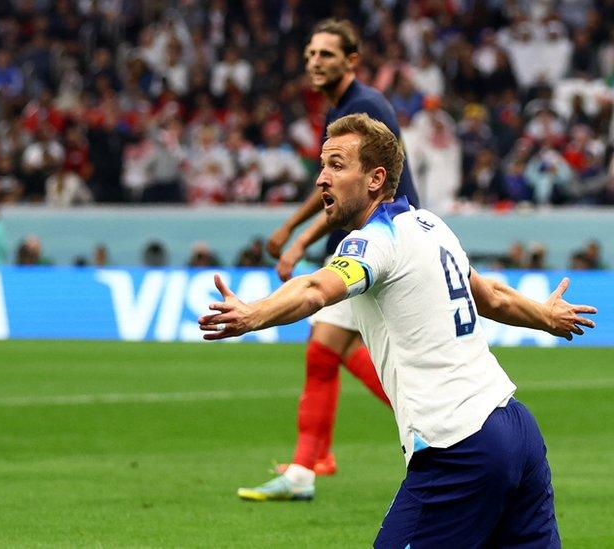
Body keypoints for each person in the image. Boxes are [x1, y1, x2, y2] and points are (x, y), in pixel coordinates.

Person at [200, 113, 595, 546]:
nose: (321, 179)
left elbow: (316, 288)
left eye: (336, 165)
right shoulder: (431, 226)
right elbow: (492, 299)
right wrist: (545, 316)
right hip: (517, 430)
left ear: (375, 179)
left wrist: (254, 314)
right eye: (322, 165)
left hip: (459, 447)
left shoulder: (374, 241)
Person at [253, 19, 421, 497]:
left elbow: (355, 188)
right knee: (330, 349)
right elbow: (333, 183)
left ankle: (432, 430)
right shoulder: (347, 109)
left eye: (326, 54)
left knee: (329, 348)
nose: (314, 62)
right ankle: (311, 463)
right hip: (373, 236)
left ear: (351, 61)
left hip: (378, 240)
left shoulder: (363, 107)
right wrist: (296, 233)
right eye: (310, 54)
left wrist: (297, 238)